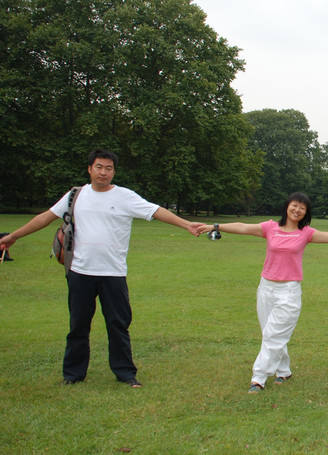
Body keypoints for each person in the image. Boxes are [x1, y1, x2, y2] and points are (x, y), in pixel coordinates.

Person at [0, 150, 203, 387]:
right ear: (89, 169)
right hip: (80, 272)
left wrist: (186, 224)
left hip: (113, 273)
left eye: (108, 168)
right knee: (78, 325)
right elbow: (46, 217)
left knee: (118, 325)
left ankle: (125, 373)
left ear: (114, 172)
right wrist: (13, 236)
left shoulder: (125, 196)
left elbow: (155, 211)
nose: (103, 172)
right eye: (99, 167)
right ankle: (73, 375)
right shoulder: (76, 195)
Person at [196, 192, 328, 394]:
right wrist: (215, 226)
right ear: (287, 206)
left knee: (273, 335)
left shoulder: (306, 233)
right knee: (270, 333)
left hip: (288, 291)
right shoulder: (270, 228)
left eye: (302, 208)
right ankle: (284, 370)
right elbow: (243, 227)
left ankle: (258, 378)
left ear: (306, 213)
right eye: (294, 205)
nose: (297, 210)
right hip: (266, 288)